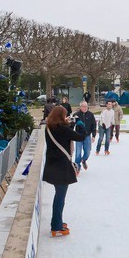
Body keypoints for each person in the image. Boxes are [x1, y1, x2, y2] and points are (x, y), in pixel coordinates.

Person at [42, 105, 84, 238]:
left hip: (51, 166)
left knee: (58, 195)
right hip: (61, 167)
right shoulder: (63, 129)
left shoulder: (49, 128)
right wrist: (80, 125)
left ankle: (57, 222)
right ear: (61, 116)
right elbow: (80, 137)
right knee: (60, 197)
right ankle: (56, 226)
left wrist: (69, 125)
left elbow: (62, 134)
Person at [72, 102, 96, 170]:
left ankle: (84, 160)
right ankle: (77, 166)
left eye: (86, 106)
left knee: (88, 152)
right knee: (78, 152)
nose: (85, 108)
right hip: (78, 136)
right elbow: (72, 125)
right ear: (80, 107)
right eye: (83, 106)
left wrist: (93, 135)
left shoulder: (90, 114)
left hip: (87, 136)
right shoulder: (76, 115)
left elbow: (93, 125)